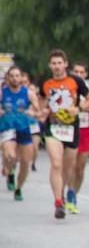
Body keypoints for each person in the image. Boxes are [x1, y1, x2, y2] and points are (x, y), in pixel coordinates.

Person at [38, 50, 89, 219]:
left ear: (66, 64)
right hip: (53, 128)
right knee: (56, 163)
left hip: (71, 129)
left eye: (59, 63)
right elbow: (41, 102)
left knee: (69, 169)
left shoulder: (76, 81)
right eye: (53, 63)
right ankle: (58, 202)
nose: (57, 66)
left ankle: (65, 192)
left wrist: (79, 108)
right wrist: (43, 110)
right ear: (49, 65)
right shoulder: (45, 83)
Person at [65, 62, 89, 213]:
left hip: (85, 131)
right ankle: (69, 194)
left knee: (80, 169)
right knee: (70, 166)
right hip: (68, 131)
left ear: (85, 74)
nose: (79, 75)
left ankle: (73, 194)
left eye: (82, 72)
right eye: (76, 72)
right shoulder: (67, 89)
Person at [1, 66, 40, 200]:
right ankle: (10, 172)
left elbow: (38, 111)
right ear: (7, 78)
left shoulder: (28, 93)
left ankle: (18, 188)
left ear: (21, 78)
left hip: (24, 129)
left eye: (17, 76)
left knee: (25, 163)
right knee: (10, 156)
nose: (15, 78)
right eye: (12, 76)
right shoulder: (2, 93)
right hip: (7, 128)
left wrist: (33, 112)